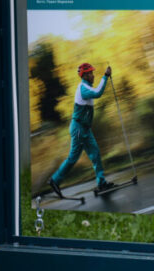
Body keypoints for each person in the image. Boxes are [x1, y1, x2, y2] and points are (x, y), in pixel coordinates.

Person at [48, 63, 115, 197]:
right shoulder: (83, 88)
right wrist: (105, 76)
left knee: (95, 153)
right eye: (90, 73)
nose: (93, 75)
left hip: (84, 129)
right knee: (73, 158)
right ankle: (54, 180)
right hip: (78, 129)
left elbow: (95, 91)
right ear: (84, 75)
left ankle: (101, 182)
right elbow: (98, 93)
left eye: (92, 72)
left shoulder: (87, 87)